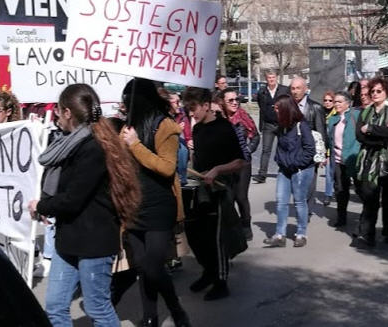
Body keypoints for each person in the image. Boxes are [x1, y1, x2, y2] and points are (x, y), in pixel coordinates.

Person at [29, 84, 142, 327]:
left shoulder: (93, 147)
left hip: (94, 241)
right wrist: (47, 204)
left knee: (97, 308)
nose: (56, 116)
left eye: (58, 111)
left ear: (68, 112)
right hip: (68, 239)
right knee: (55, 306)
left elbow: (73, 198)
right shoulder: (70, 143)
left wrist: (42, 205)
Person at [117, 79, 190, 327]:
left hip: (159, 206)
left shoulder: (165, 126)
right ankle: (150, 317)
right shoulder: (128, 128)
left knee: (153, 267)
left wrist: (135, 145)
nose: (123, 106)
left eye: (127, 101)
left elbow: (167, 168)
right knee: (141, 268)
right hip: (134, 207)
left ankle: (176, 310)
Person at [181, 87, 247, 301]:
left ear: (206, 105)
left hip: (221, 188)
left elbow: (240, 161)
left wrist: (218, 170)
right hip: (201, 188)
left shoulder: (224, 128)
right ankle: (208, 271)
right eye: (188, 109)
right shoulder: (198, 129)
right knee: (195, 234)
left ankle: (221, 281)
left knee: (216, 237)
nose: (192, 114)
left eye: (194, 108)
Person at [352, 77, 388, 248]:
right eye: (372, 91)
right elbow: (359, 136)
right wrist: (380, 137)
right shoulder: (365, 112)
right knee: (369, 197)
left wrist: (371, 129)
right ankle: (366, 234)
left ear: (386, 92)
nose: (374, 94)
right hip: (369, 160)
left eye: (378, 91)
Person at [264, 96, 316, 248]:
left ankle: (301, 234)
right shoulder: (282, 126)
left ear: (286, 109)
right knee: (281, 201)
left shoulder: (302, 125)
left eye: (278, 108)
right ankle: (280, 235)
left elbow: (309, 149)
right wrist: (280, 160)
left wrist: (296, 164)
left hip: (301, 170)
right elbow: (280, 147)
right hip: (284, 169)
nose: (276, 111)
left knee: (300, 201)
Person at [221, 89, 258, 241]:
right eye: (230, 100)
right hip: (224, 165)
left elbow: (255, 136)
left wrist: (247, 151)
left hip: (242, 163)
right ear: (223, 102)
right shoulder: (219, 119)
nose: (235, 102)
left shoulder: (244, 116)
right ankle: (232, 228)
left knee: (241, 196)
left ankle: (246, 225)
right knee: (228, 198)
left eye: (236, 99)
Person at [290, 77, 325, 209]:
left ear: (305, 89)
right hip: (293, 150)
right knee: (295, 182)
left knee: (309, 182)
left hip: (309, 150)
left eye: (298, 88)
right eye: (293, 88)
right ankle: (301, 206)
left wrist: (323, 154)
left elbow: (321, 131)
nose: (295, 91)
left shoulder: (315, 107)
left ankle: (307, 209)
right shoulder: (287, 106)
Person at [326, 92, 360, 228]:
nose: (337, 104)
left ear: (348, 103)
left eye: (340, 102)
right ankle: (341, 217)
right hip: (338, 160)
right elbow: (329, 140)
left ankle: (366, 217)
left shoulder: (355, 115)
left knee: (361, 189)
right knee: (340, 189)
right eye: (335, 102)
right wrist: (327, 155)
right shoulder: (333, 119)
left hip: (353, 158)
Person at [254, 71, 289, 183]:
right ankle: (262, 174)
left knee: (283, 148)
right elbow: (261, 107)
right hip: (268, 125)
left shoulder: (284, 90)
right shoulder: (262, 91)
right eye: (269, 77)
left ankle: (284, 172)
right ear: (266, 79)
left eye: (273, 77)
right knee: (266, 150)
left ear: (277, 78)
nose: (271, 79)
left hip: (281, 124)